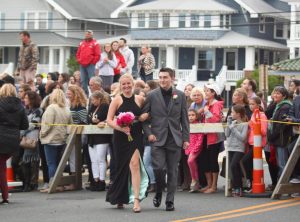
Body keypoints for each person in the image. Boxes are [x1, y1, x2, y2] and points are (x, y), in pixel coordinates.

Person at [143, 68, 189, 211]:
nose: (162, 80)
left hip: (175, 139)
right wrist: (149, 133)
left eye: (165, 77)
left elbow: (185, 119)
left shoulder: (180, 96)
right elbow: (143, 119)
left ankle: (170, 200)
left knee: (173, 170)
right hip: (157, 138)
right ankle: (158, 191)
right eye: (160, 77)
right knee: (158, 168)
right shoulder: (151, 95)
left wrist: (186, 138)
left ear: (172, 78)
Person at [106, 74, 149, 213]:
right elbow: (109, 120)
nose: (126, 86)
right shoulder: (117, 100)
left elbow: (148, 113)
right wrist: (121, 128)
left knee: (134, 164)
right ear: (120, 85)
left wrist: (145, 116)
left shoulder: (140, 99)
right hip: (120, 137)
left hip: (136, 136)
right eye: (123, 84)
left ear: (133, 84)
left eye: (128, 83)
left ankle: (136, 199)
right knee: (121, 167)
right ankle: (120, 197)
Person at [0, 83, 29, 204]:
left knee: (1, 168)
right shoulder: (20, 106)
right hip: (13, 140)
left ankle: (5, 196)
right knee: (2, 167)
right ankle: (5, 196)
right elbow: (25, 125)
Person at [39, 89, 72, 192]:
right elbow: (70, 124)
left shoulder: (51, 108)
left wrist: (42, 134)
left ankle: (53, 185)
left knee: (51, 164)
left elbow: (47, 126)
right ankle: (59, 184)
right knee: (58, 164)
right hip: (62, 139)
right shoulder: (67, 109)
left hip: (50, 140)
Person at [201, 83, 224, 194]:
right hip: (206, 134)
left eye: (207, 91)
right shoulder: (207, 104)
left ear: (213, 93)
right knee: (205, 160)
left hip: (215, 136)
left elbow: (215, 119)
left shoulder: (217, 104)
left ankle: (214, 186)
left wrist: (205, 111)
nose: (205, 93)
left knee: (212, 160)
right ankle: (209, 184)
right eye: (205, 91)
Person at [242, 97, 268, 191]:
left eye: (253, 104)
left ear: (258, 105)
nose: (251, 106)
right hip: (251, 142)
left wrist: (252, 124)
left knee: (245, 161)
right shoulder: (253, 114)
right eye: (250, 104)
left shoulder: (262, 115)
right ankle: (251, 182)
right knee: (250, 163)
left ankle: (251, 181)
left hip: (258, 143)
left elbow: (263, 131)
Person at [65, 85, 88, 191]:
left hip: (78, 135)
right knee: (71, 158)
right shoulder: (69, 104)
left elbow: (84, 121)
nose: (67, 94)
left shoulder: (80, 106)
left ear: (75, 94)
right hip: (71, 134)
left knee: (74, 158)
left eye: (69, 93)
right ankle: (73, 181)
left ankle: (75, 182)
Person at [87, 91, 111, 191]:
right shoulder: (92, 107)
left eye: (94, 99)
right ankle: (95, 180)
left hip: (102, 137)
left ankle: (102, 181)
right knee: (93, 160)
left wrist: (100, 121)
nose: (92, 101)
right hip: (92, 136)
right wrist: (93, 121)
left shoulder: (105, 106)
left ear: (99, 99)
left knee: (101, 159)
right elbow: (88, 118)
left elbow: (105, 118)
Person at [267, 86, 293, 177]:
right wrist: (273, 102)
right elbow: (267, 113)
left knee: (283, 164)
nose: (275, 95)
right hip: (278, 138)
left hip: (282, 139)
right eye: (274, 93)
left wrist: (272, 136)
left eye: (278, 93)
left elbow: (281, 125)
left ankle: (284, 186)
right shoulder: (278, 105)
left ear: (284, 96)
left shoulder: (285, 106)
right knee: (280, 163)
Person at [225, 104, 248, 197]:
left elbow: (242, 138)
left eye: (232, 112)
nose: (231, 113)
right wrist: (228, 124)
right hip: (230, 147)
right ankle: (236, 187)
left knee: (234, 165)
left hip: (239, 148)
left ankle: (239, 187)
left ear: (238, 114)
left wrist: (233, 128)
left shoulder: (244, 124)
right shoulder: (232, 123)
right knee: (233, 167)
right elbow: (227, 134)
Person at [21, 91, 43, 192]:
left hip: (33, 138)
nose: (24, 100)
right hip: (24, 138)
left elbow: (34, 124)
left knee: (33, 161)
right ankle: (27, 183)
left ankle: (32, 183)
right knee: (26, 162)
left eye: (26, 98)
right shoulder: (26, 110)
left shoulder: (38, 111)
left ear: (31, 99)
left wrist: (21, 132)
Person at [76, 30, 101, 95]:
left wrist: (93, 62)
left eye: (89, 34)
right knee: (83, 81)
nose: (87, 35)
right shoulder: (82, 43)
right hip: (82, 65)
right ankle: (85, 95)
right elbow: (78, 53)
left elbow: (98, 55)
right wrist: (79, 60)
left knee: (92, 81)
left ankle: (94, 95)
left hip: (90, 65)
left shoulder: (95, 43)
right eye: (86, 34)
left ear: (92, 35)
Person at [185, 109, 203, 193]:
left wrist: (196, 147)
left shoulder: (198, 125)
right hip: (188, 147)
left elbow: (200, 138)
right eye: (189, 115)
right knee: (191, 163)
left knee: (190, 161)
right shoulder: (186, 125)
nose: (191, 117)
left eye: (192, 115)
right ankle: (196, 182)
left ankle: (194, 179)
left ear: (196, 116)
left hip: (196, 147)